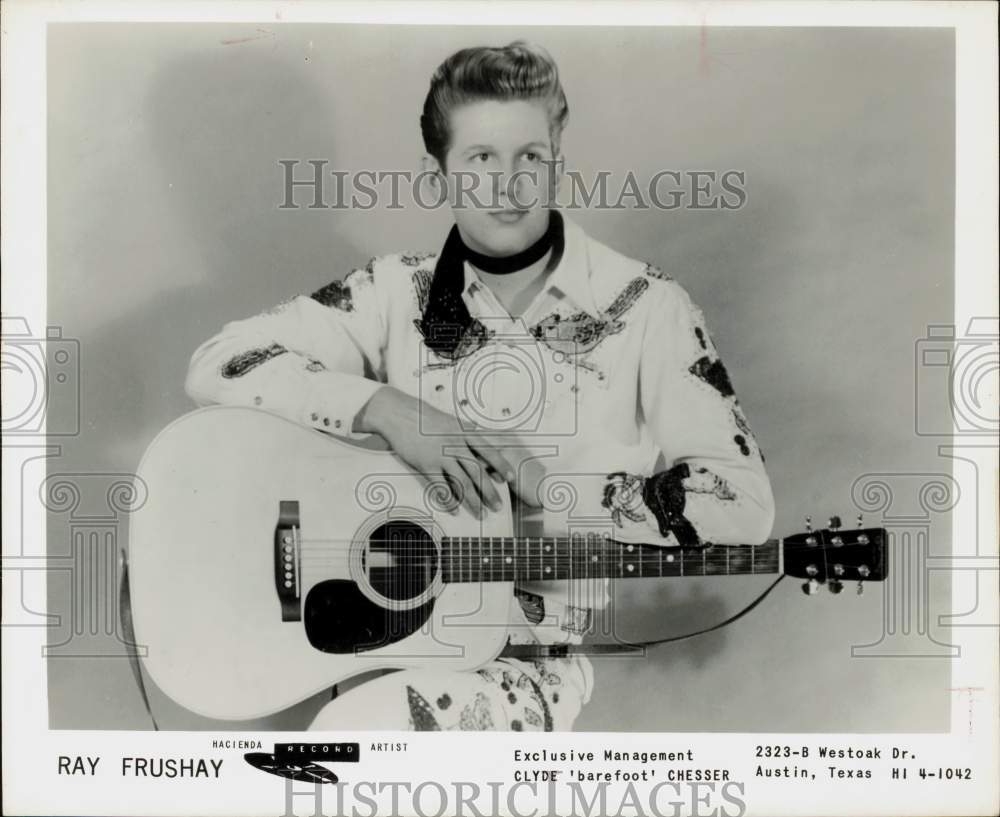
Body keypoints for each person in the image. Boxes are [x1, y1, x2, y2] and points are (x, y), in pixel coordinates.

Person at [185, 41, 774, 731]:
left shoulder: (646, 306)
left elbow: (744, 505)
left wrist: (554, 488)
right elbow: (219, 361)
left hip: (525, 665)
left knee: (361, 742)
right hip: (375, 644)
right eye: (480, 159)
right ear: (440, 178)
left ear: (557, 162)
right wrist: (386, 407)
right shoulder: (390, 292)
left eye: (529, 156)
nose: (508, 183)